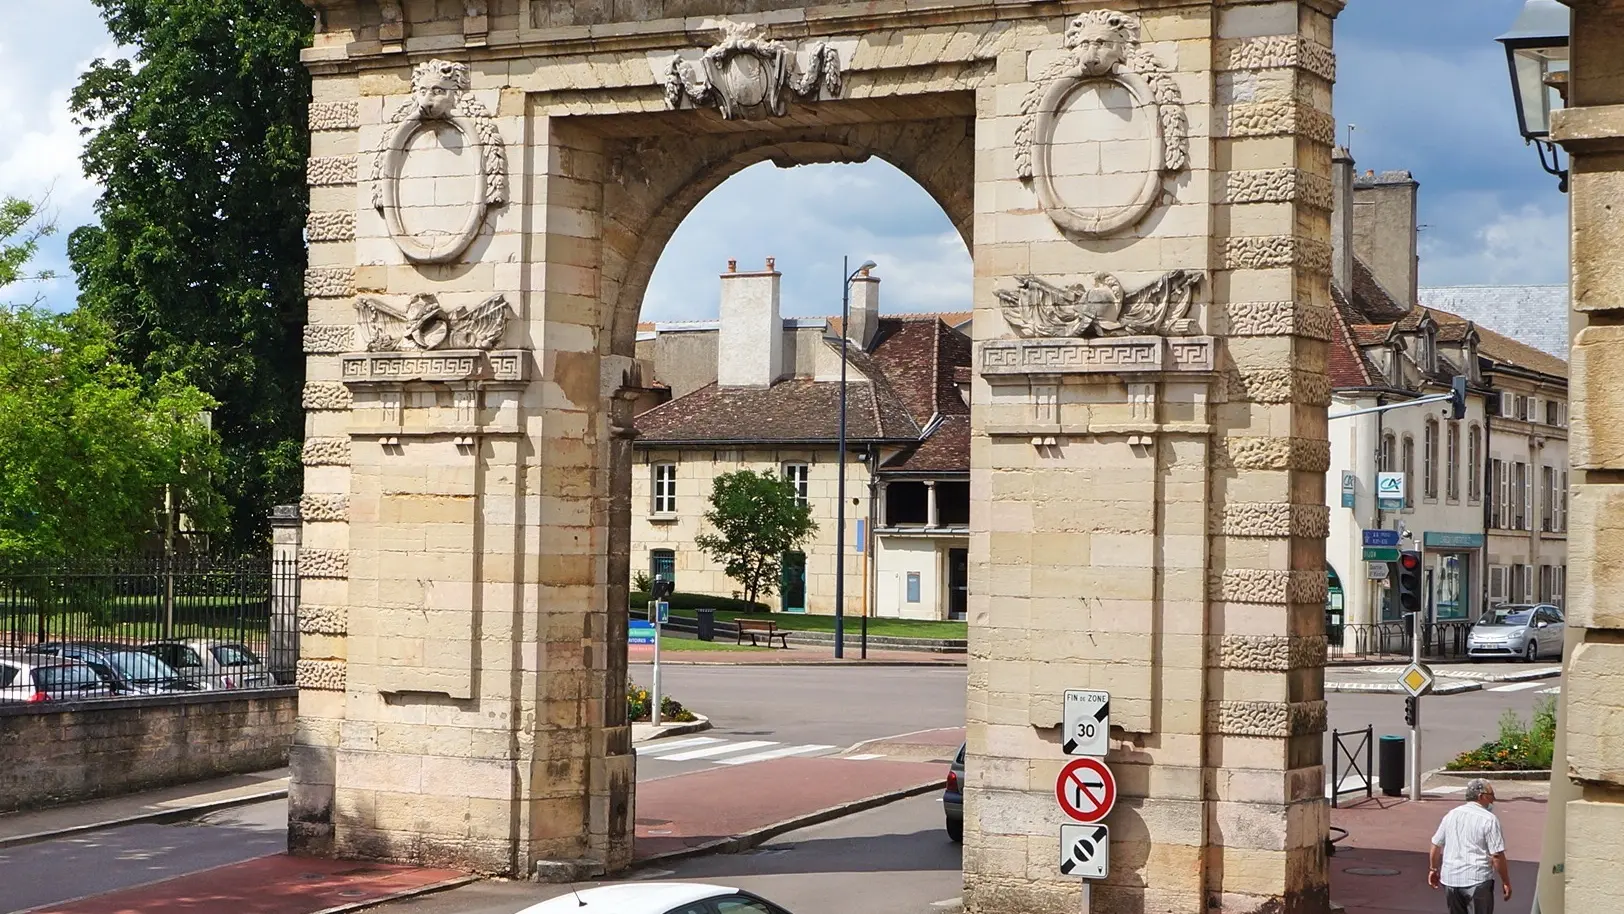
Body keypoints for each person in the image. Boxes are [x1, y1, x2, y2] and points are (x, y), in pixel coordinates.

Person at [1429, 778, 1511, 913]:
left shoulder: (1451, 815)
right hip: (1477, 879)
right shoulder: (1489, 819)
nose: (1493, 800)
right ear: (1481, 796)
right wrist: (1506, 881)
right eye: (1491, 796)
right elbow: (1496, 855)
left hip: (1451, 879)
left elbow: (1436, 845)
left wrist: (1433, 869)